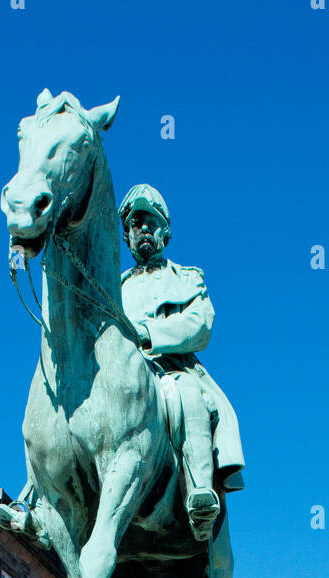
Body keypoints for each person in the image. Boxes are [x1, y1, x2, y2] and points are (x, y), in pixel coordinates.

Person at [118, 184, 245, 541]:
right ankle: (37, 501)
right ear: (126, 234)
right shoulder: (113, 285)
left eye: (150, 221)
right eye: (135, 222)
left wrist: (149, 333)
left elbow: (199, 325)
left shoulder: (186, 278)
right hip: (117, 376)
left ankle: (200, 492)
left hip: (168, 370)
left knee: (188, 394)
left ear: (165, 232)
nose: (142, 228)